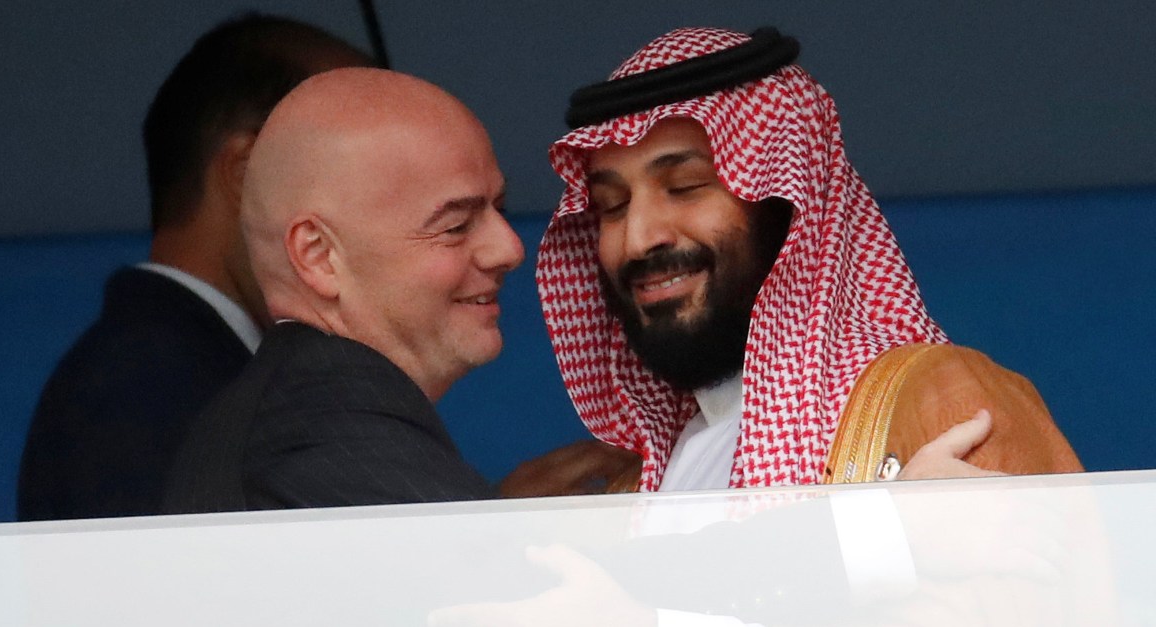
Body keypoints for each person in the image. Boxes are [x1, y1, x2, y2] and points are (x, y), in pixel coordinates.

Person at [535, 26, 1082, 493]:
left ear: (790, 206)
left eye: (686, 186)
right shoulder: (641, 485)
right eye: (611, 206)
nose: (638, 239)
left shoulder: (938, 401)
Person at [162, 67, 635, 513]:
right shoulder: (330, 429)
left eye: (499, 208)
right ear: (319, 255)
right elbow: (482, 595)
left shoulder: (290, 415)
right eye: (455, 225)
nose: (509, 248)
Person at [17, 13, 377, 520]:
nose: (381, 215)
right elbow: (176, 595)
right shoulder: (144, 387)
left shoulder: (182, 370)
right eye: (363, 174)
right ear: (249, 174)